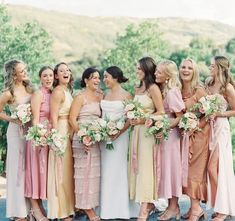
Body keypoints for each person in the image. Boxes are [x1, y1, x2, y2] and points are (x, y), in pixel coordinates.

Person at [99, 66, 139, 219]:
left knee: (119, 168)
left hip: (120, 138)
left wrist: (118, 132)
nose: (104, 80)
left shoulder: (127, 95)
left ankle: (122, 209)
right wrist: (103, 131)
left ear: (115, 77)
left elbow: (131, 118)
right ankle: (107, 208)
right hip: (104, 138)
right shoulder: (105, 94)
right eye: (103, 77)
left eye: (106, 76)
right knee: (106, 169)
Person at [129, 57, 165, 221]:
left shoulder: (153, 88)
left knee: (145, 169)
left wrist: (143, 120)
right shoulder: (137, 88)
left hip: (147, 133)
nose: (137, 71)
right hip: (136, 133)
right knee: (137, 168)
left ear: (146, 70)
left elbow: (161, 112)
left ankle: (144, 209)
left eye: (139, 68)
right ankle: (147, 204)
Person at [0, 59, 33, 220]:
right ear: (14, 75)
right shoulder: (8, 93)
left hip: (30, 132)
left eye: (25, 69)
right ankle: (18, 212)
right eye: (21, 70)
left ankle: (30, 209)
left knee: (29, 170)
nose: (25, 72)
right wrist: (13, 119)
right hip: (15, 133)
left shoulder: (30, 88)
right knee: (17, 170)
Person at [69, 67, 102, 221]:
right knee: (83, 174)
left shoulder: (101, 96)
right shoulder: (80, 97)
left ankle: (89, 204)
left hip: (96, 139)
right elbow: (72, 119)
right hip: (81, 139)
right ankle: (87, 209)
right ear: (86, 81)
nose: (97, 80)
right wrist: (83, 137)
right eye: (94, 78)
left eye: (98, 77)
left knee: (93, 174)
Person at [179, 58, 210, 221]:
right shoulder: (177, 89)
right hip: (183, 136)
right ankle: (194, 208)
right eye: (183, 67)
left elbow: (209, 113)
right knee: (186, 171)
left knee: (194, 172)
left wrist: (195, 126)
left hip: (199, 135)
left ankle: (197, 209)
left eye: (189, 68)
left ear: (194, 71)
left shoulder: (199, 90)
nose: (185, 70)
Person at [155, 60, 185, 220]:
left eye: (158, 72)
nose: (155, 74)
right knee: (165, 170)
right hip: (164, 135)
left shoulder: (172, 92)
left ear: (167, 75)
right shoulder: (164, 90)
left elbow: (179, 118)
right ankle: (172, 207)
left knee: (171, 170)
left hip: (171, 136)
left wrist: (164, 127)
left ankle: (174, 207)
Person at [206, 55, 235, 220]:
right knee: (210, 170)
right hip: (209, 128)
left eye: (212, 66)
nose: (210, 68)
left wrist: (219, 114)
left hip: (221, 128)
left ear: (220, 68)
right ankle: (219, 206)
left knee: (215, 168)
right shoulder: (209, 83)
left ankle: (223, 210)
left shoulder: (227, 87)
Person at [25, 66, 54, 221]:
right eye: (45, 76)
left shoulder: (53, 94)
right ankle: (35, 211)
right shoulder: (38, 94)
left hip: (50, 138)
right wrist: (39, 138)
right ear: (40, 78)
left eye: (50, 75)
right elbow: (35, 120)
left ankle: (41, 208)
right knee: (36, 173)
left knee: (45, 175)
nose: (48, 78)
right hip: (38, 139)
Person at [47, 62, 75, 220]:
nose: (66, 72)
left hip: (68, 133)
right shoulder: (58, 92)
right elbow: (53, 116)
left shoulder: (67, 91)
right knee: (61, 172)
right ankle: (61, 211)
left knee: (68, 172)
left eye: (68, 70)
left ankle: (69, 207)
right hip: (61, 133)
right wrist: (56, 138)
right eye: (62, 71)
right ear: (56, 76)